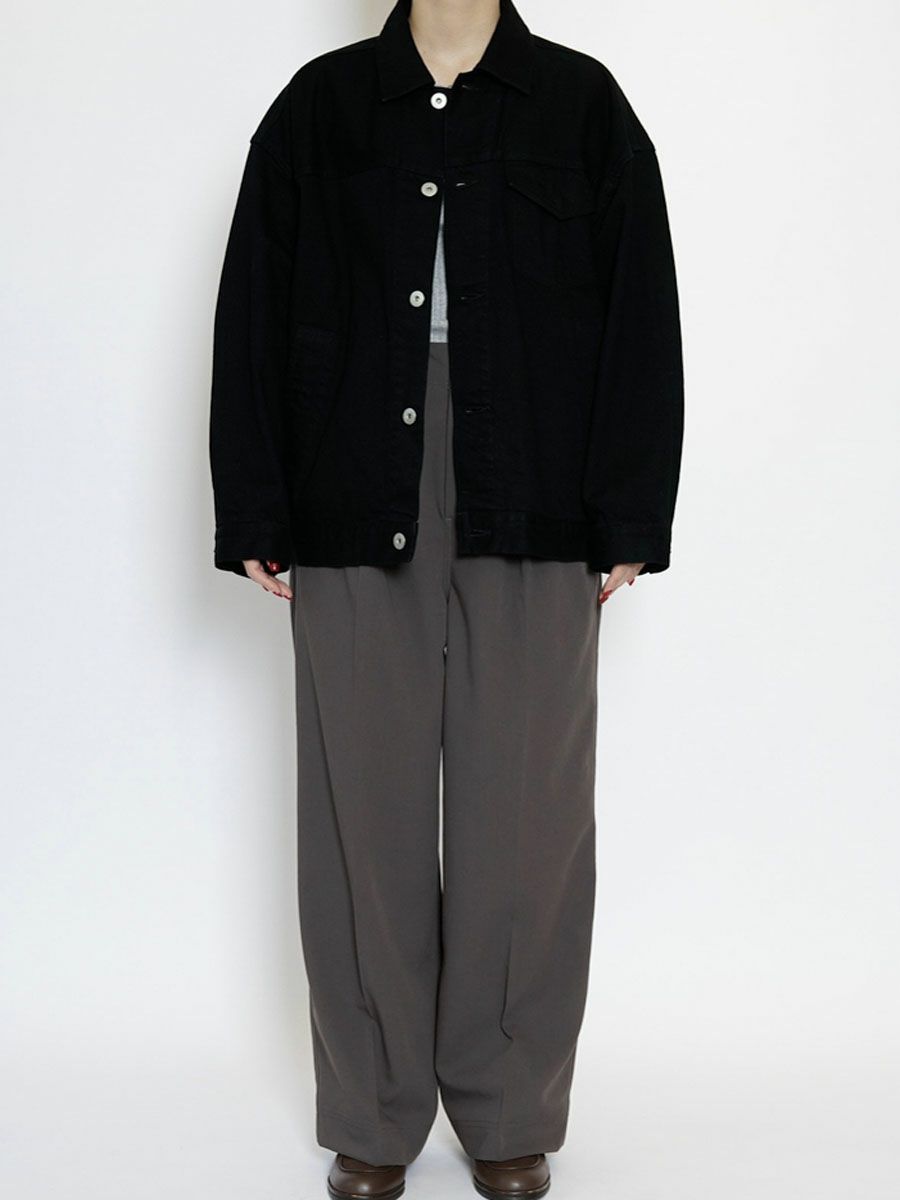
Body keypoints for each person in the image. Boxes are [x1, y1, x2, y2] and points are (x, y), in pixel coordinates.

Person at [208, 0, 684, 1196]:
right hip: (349, 473)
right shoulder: (319, 109)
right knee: (359, 809)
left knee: (524, 810)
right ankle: (372, 1112)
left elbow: (642, 312)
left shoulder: (582, 106)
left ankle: (509, 1104)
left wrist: (630, 512)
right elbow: (253, 305)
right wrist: (255, 506)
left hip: (537, 476)